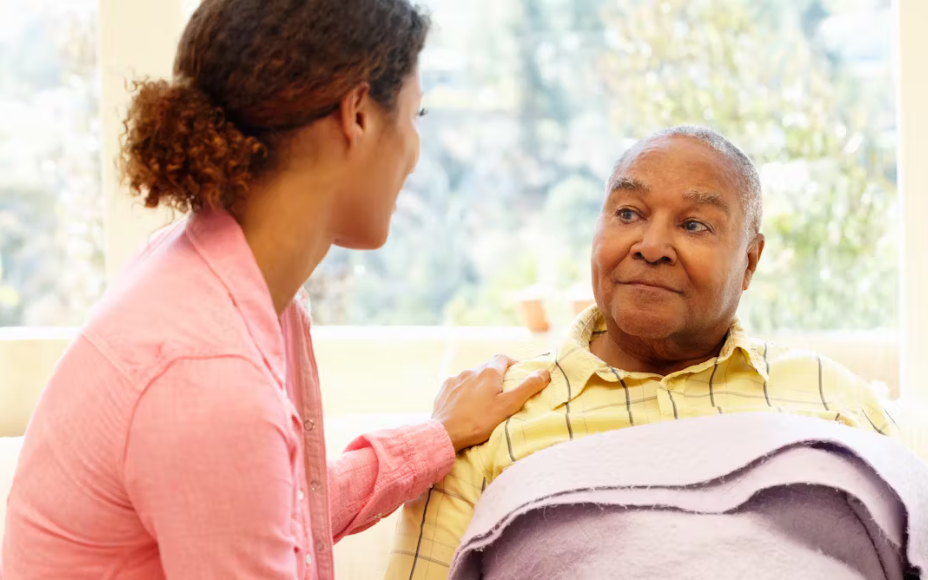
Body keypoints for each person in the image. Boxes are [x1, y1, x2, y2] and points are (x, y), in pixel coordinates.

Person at [0, 1, 552, 578]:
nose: (415, 155)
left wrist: (439, 437)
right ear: (358, 115)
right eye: (416, 116)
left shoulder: (224, 277)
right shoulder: (209, 374)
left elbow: (280, 512)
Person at [385, 126, 898, 580]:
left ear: (750, 261)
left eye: (694, 225)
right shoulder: (489, 420)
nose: (651, 245)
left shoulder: (834, 399)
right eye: (628, 213)